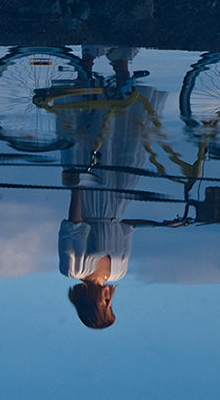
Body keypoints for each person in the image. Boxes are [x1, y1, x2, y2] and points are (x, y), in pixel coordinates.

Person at [57, 47, 179, 328]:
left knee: (88, 131)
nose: (110, 300)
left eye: (105, 306)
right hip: (117, 198)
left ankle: (87, 58)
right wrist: (161, 225)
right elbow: (126, 225)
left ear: (92, 303)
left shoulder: (74, 269)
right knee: (127, 137)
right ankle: (120, 61)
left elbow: (74, 224)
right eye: (111, 306)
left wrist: (77, 184)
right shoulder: (118, 272)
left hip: (91, 197)